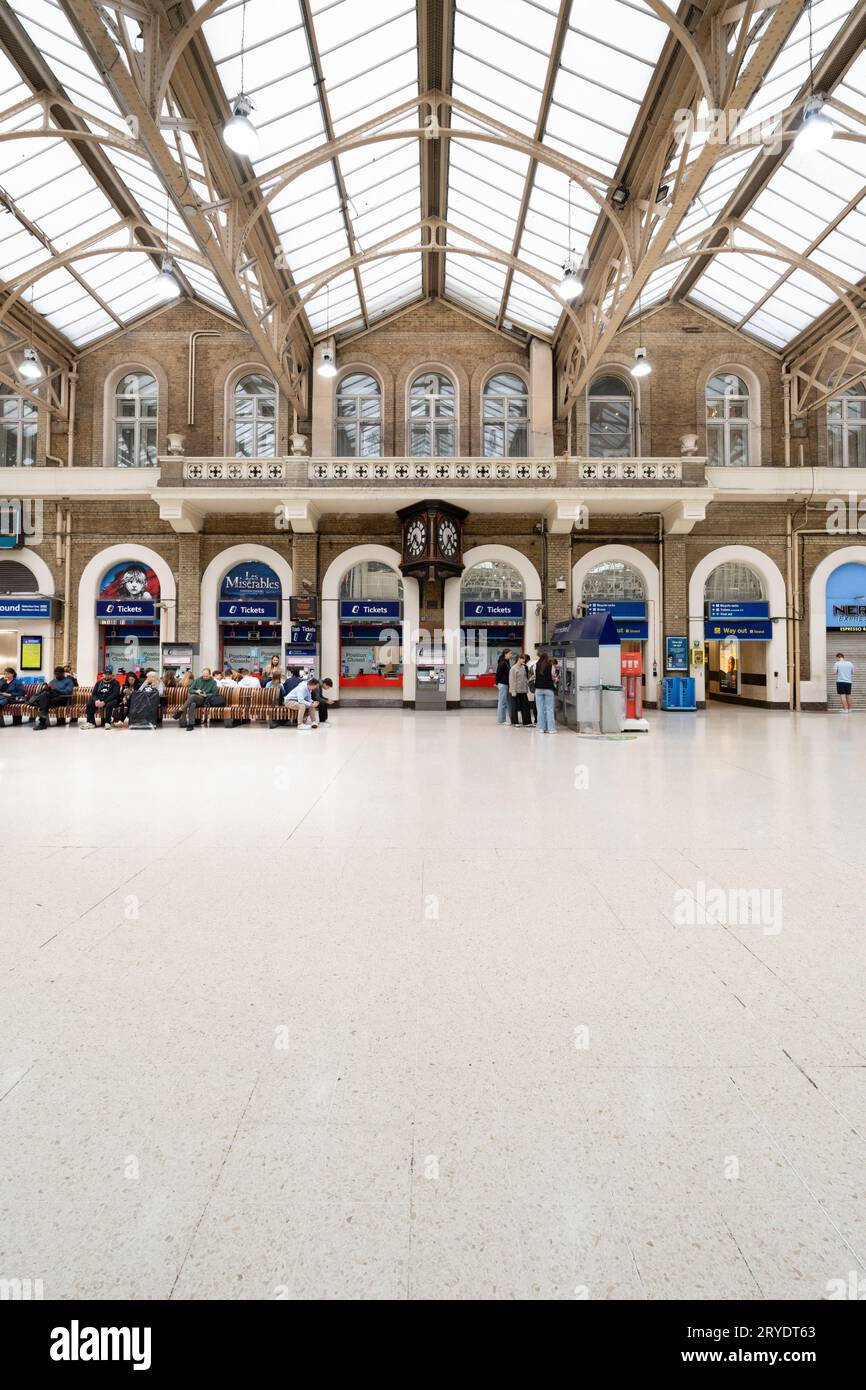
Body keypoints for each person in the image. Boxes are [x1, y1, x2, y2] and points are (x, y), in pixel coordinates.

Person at [27, 666, 74, 730]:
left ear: (63, 673)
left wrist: (55, 689)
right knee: (44, 696)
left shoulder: (68, 681)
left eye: (58, 674)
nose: (56, 675)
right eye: (55, 674)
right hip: (51, 698)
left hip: (62, 699)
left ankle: (42, 722)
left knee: (43, 701)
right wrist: (47, 688)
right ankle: (42, 722)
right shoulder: (53, 681)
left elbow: (67, 692)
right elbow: (48, 690)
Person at [534, 653, 557, 734]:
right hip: (548, 689)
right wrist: (556, 679)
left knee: (540, 709)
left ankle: (541, 728)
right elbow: (553, 677)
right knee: (549, 709)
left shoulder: (536, 665)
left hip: (538, 689)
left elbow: (535, 676)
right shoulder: (551, 666)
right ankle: (551, 729)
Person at [509, 653, 531, 727]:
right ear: (519, 659)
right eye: (523, 659)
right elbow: (512, 681)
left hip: (523, 690)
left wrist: (526, 689)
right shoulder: (513, 668)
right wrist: (513, 691)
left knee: (525, 706)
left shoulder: (524, 667)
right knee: (515, 707)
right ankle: (515, 722)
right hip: (516, 691)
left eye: (524, 659)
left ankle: (527, 722)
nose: (524, 660)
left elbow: (525, 679)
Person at [495, 648, 512, 724]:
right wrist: (497, 683)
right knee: (502, 702)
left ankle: (503, 719)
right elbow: (498, 673)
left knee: (504, 702)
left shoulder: (506, 662)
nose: (511, 655)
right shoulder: (502, 663)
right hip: (503, 684)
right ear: (506, 654)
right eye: (510, 653)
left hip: (506, 684)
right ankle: (501, 720)